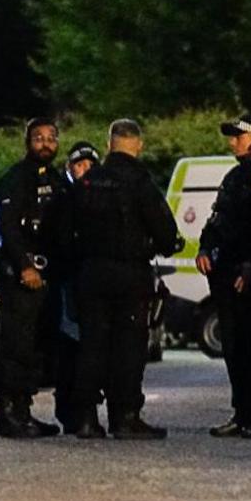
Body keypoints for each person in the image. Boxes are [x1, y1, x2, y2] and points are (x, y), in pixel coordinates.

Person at [65, 119, 180, 439]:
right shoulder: (141, 181)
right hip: (130, 275)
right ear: (139, 145)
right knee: (128, 348)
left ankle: (86, 417)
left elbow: (66, 228)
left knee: (91, 345)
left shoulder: (89, 181)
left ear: (109, 143)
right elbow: (166, 232)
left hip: (91, 273)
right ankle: (125, 416)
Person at [197, 114, 251, 437]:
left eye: (238, 137)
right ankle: (242, 412)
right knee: (233, 348)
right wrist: (204, 247)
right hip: (226, 273)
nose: (232, 142)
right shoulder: (233, 177)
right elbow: (219, 218)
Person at [0, 117, 66, 438]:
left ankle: (24, 412)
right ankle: (8, 414)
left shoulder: (57, 179)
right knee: (17, 345)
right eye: (39, 138)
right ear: (27, 142)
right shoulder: (16, 178)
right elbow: (9, 227)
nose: (46, 143)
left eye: (51, 138)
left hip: (48, 277)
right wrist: (25, 265)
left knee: (35, 348)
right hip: (22, 277)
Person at [52, 142, 101, 432]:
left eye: (88, 166)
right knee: (70, 345)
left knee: (88, 347)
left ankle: (84, 408)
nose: (84, 171)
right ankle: (69, 406)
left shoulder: (102, 195)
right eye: (78, 166)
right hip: (70, 282)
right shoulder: (63, 197)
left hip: (91, 281)